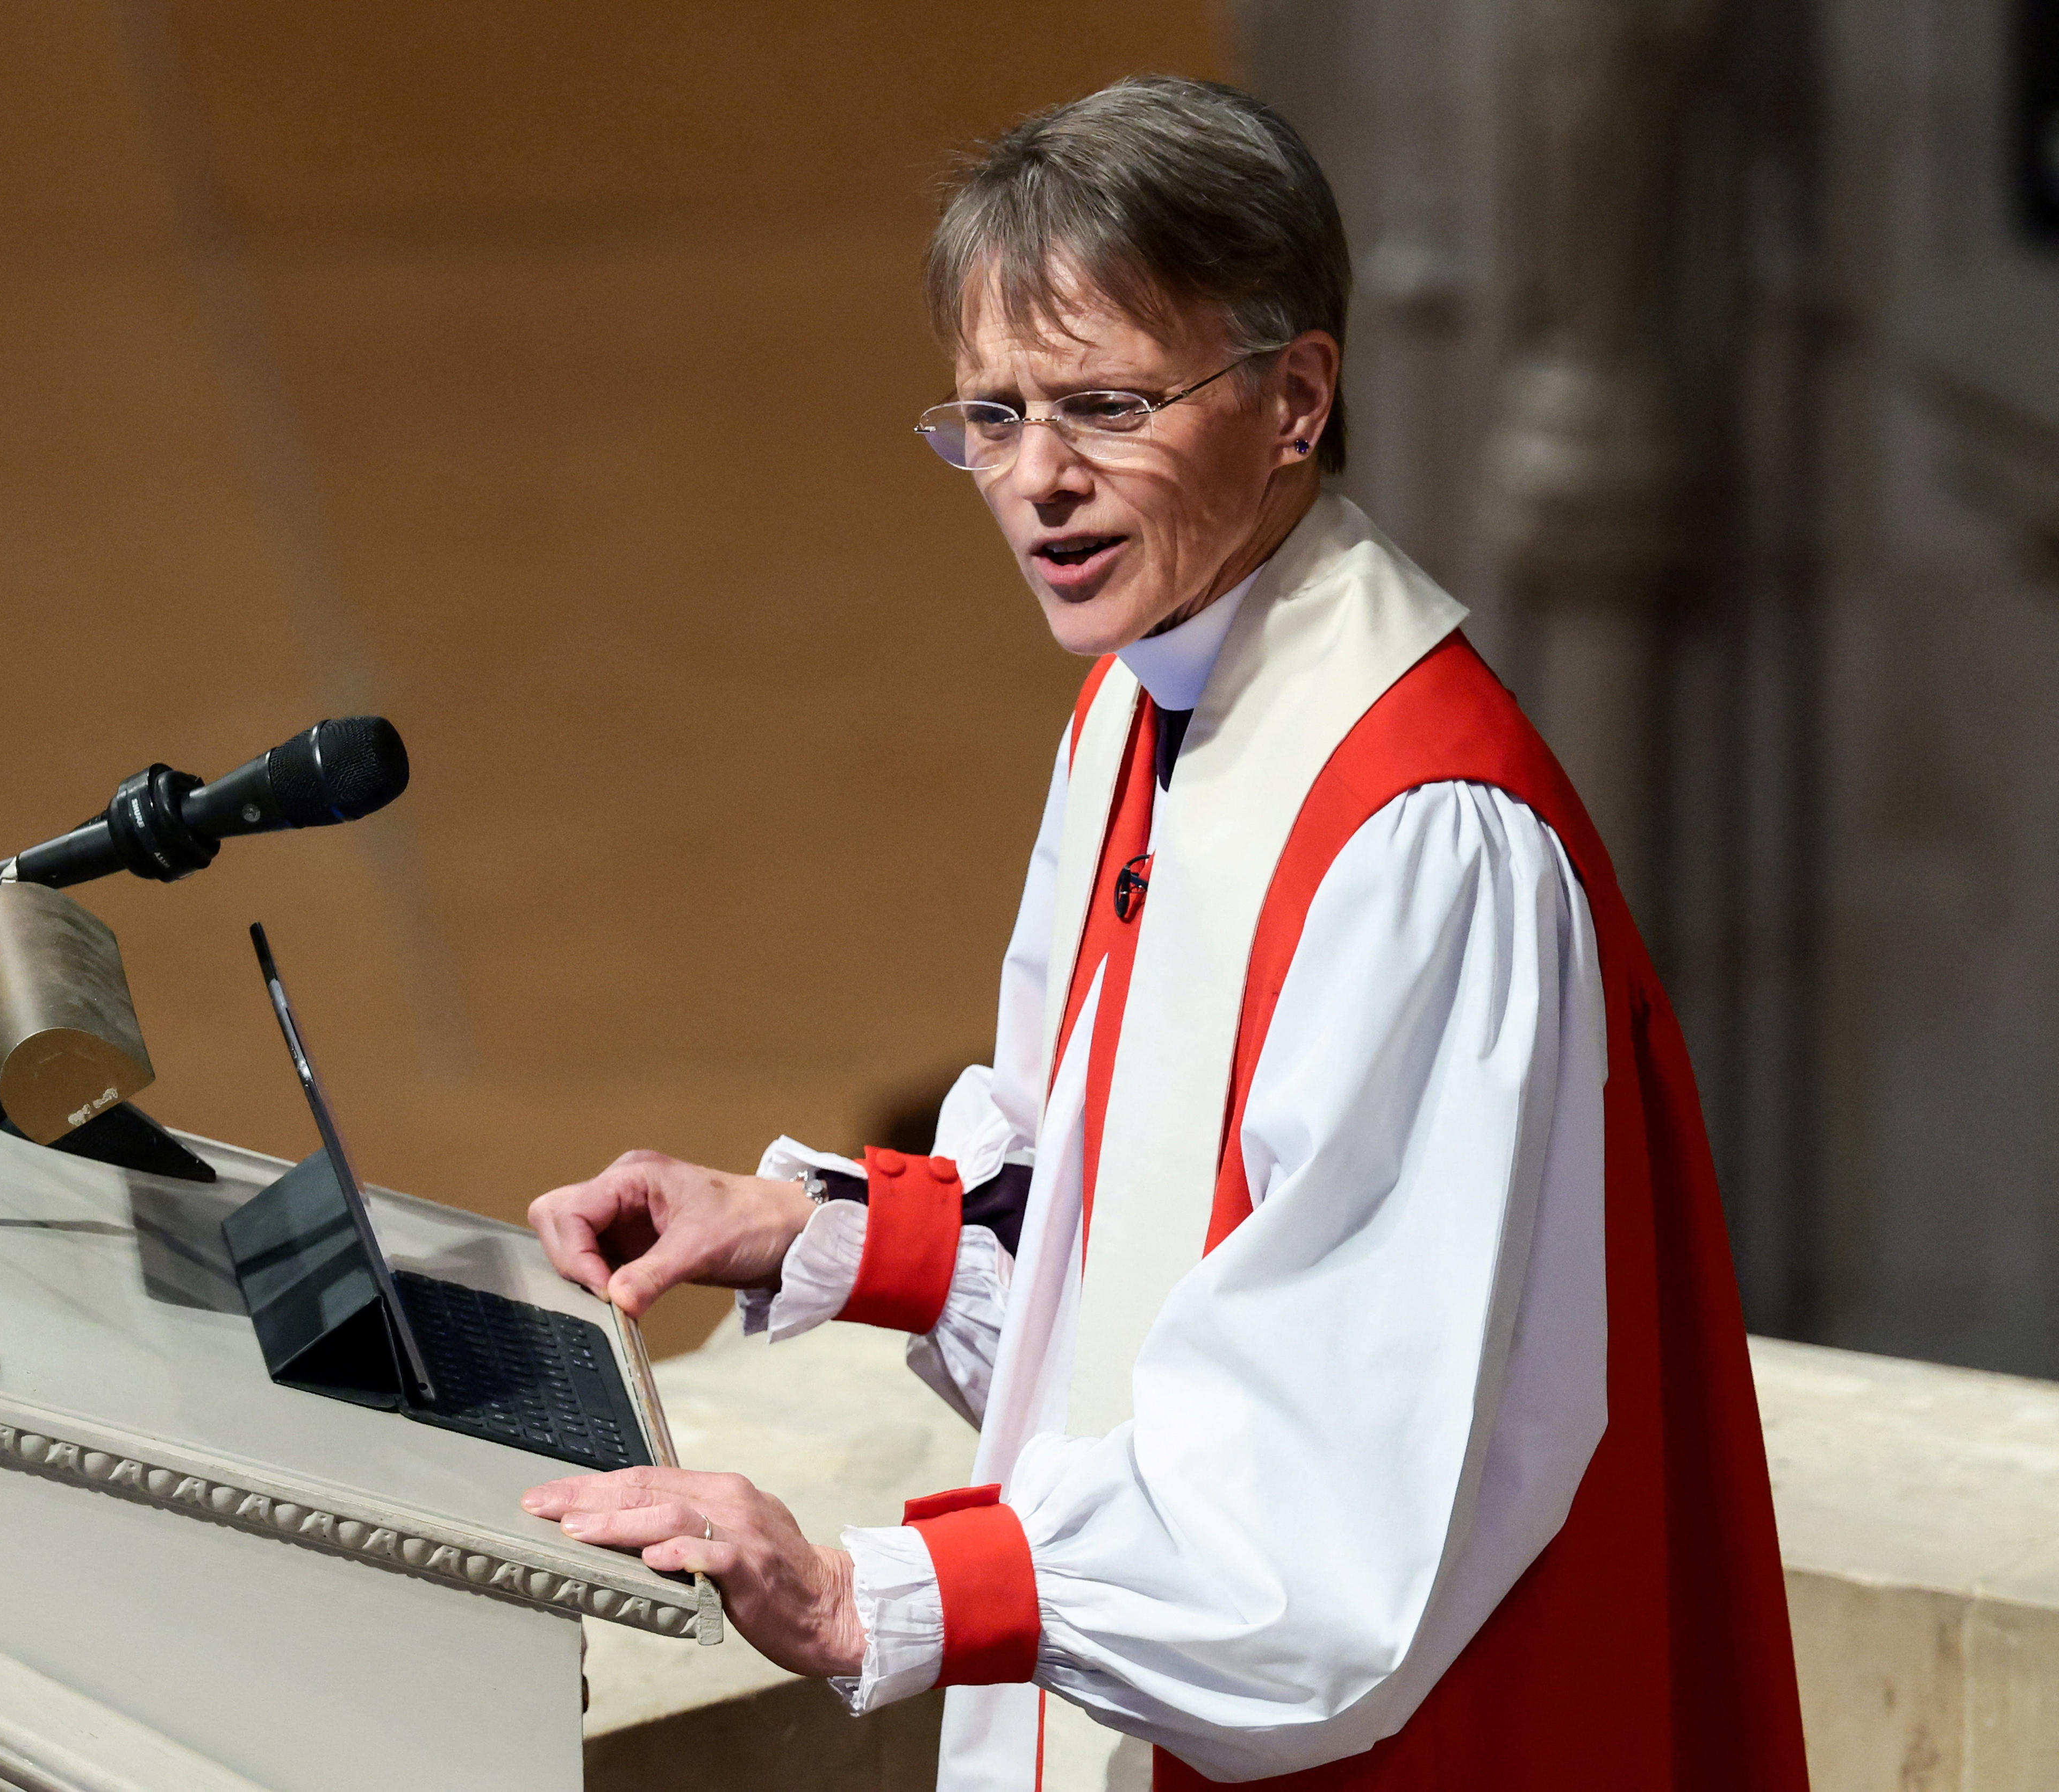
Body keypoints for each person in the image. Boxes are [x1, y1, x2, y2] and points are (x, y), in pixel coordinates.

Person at [518, 76, 1809, 1790]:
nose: (1038, 483)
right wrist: (803, 1228)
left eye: (1106, 407)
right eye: (991, 416)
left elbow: (1331, 1477)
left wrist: (860, 1598)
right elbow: (1108, 1219)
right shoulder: (1150, 703)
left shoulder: (1423, 836)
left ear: (1297, 397)